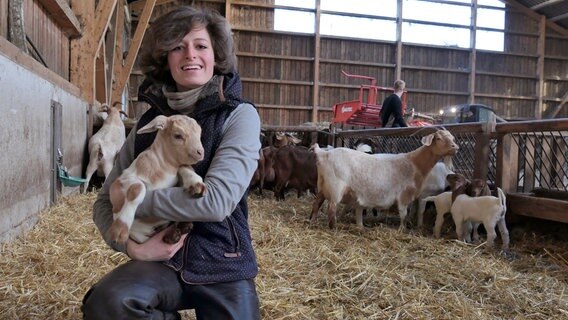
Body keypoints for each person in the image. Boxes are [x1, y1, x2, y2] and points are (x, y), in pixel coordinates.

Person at [81, 6, 261, 320]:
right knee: (107, 304)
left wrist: (134, 202)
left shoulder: (239, 116)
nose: (189, 54)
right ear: (166, 57)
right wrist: (131, 249)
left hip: (222, 259)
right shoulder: (149, 125)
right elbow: (102, 202)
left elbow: (216, 202)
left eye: (200, 46)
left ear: (215, 55)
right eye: (178, 46)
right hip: (158, 262)